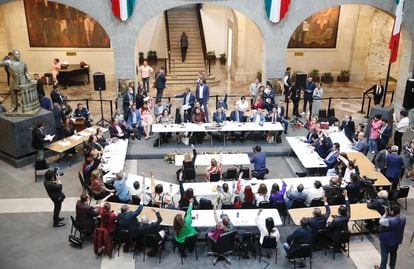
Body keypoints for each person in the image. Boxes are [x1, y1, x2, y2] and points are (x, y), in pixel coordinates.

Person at [374, 203, 406, 269]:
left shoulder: (388, 221)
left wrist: (385, 214)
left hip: (386, 242)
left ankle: (383, 268)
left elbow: (381, 221)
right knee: (393, 255)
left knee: (384, 255)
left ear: (392, 211)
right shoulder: (403, 218)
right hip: (396, 241)